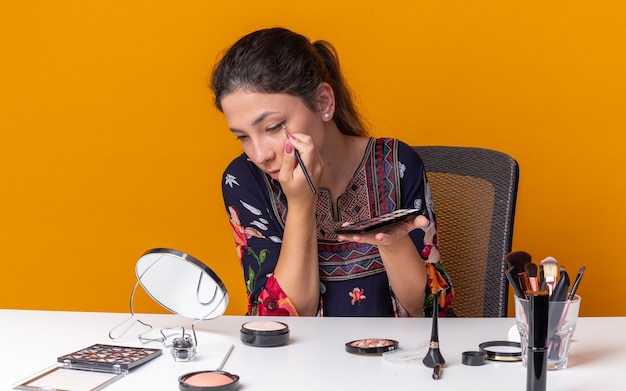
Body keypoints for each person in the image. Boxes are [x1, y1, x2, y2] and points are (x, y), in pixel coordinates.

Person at [211, 27, 453, 317]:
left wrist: (393, 244)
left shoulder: (397, 163)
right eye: (243, 136)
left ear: (324, 102)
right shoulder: (245, 180)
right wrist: (301, 204)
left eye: (273, 127)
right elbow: (277, 322)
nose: (260, 154)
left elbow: (433, 312)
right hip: (300, 361)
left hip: (397, 357)